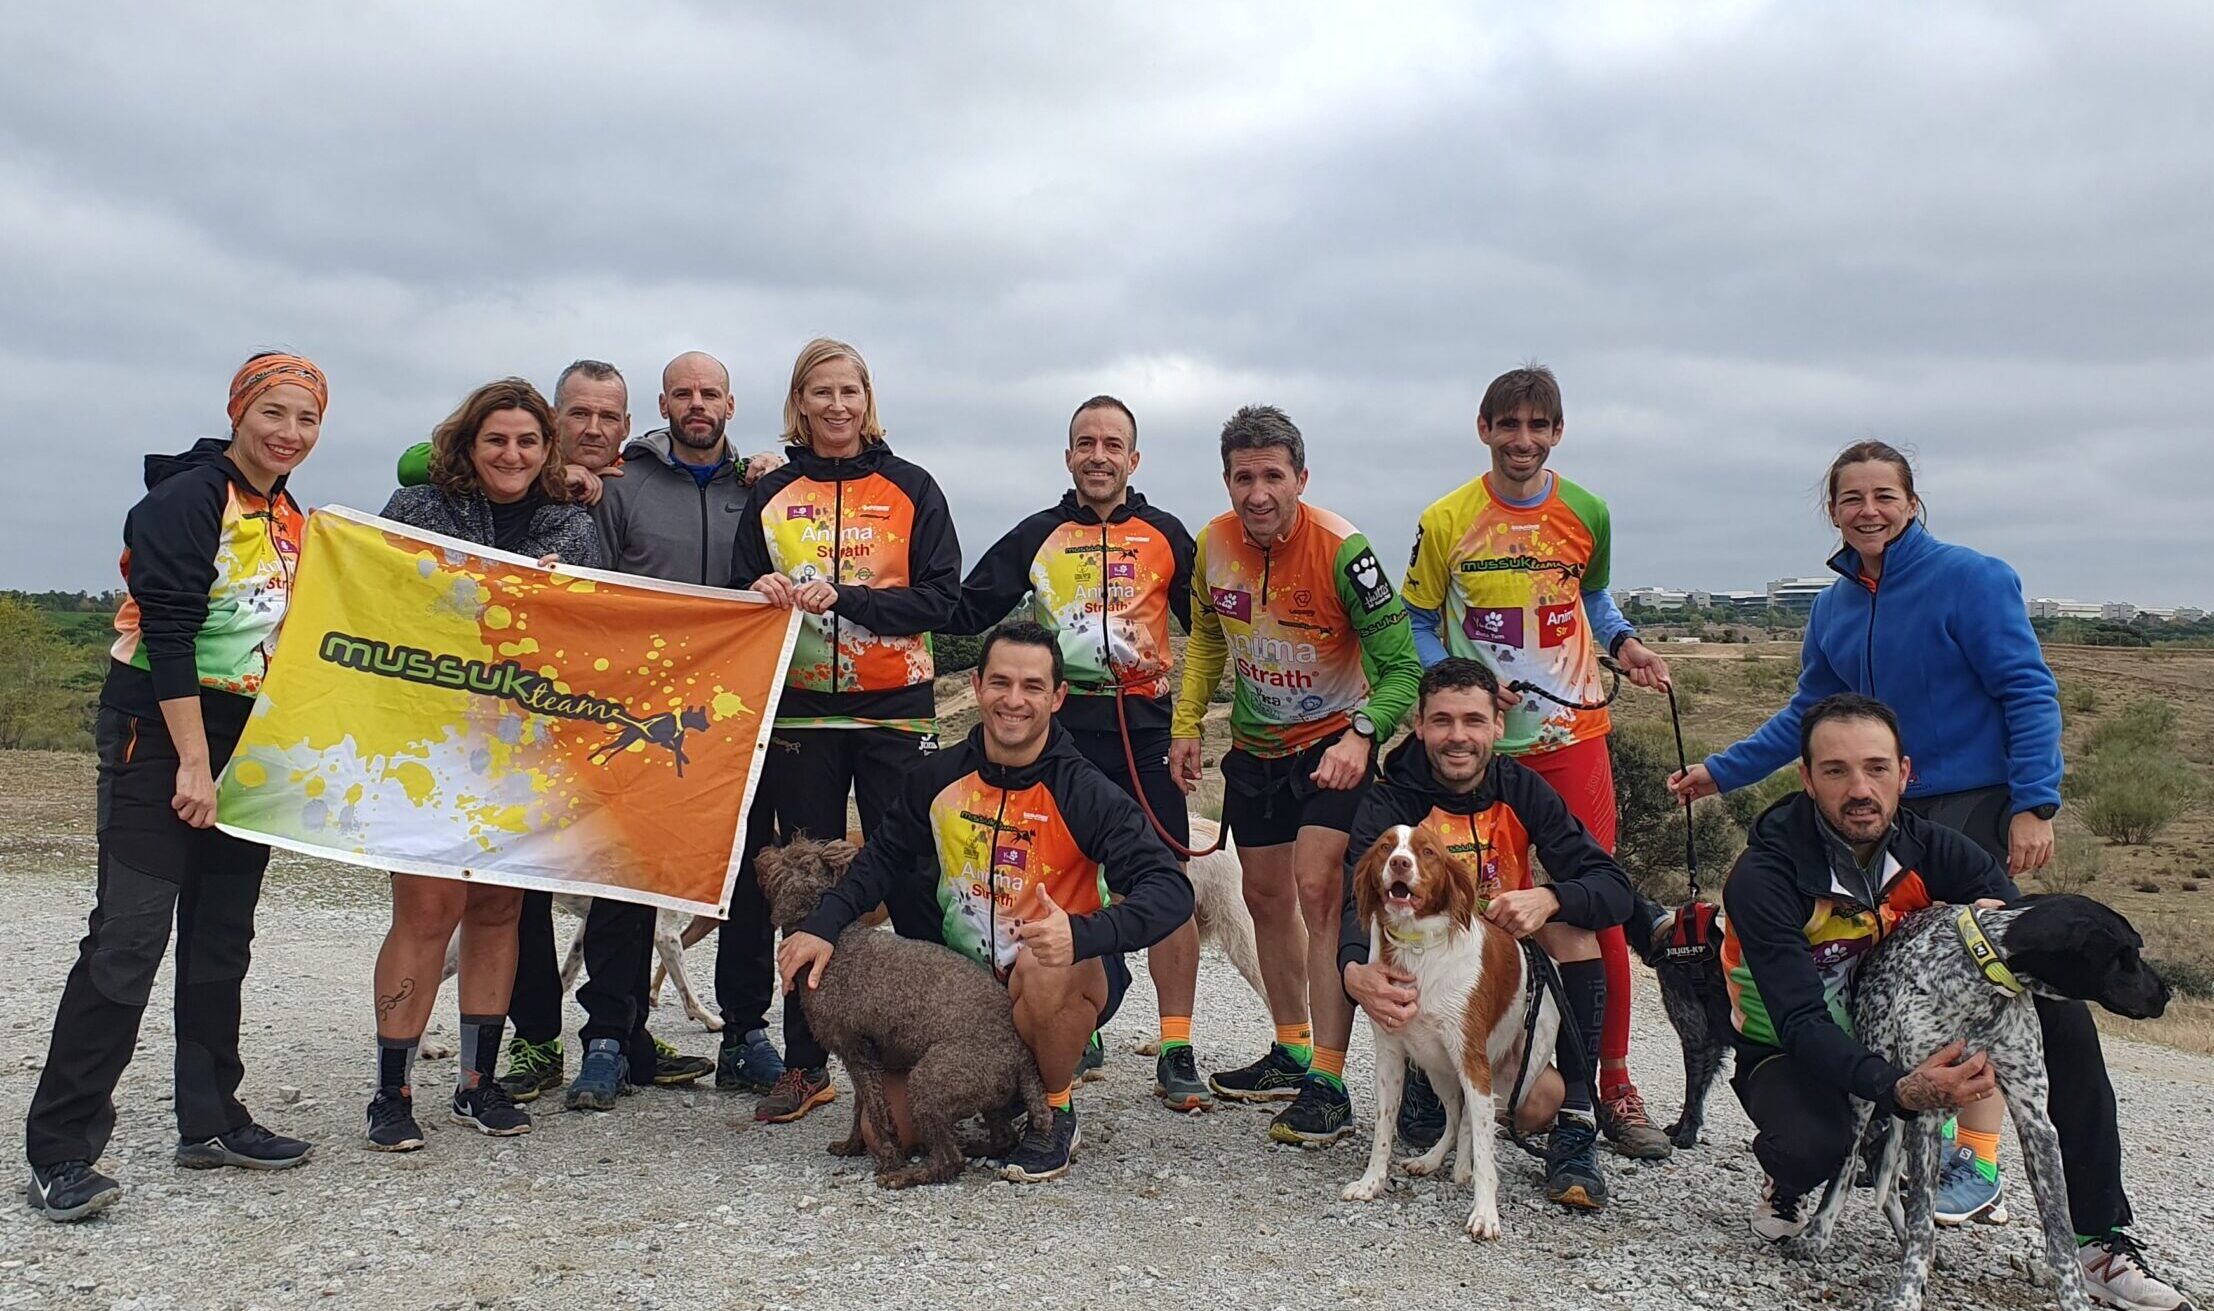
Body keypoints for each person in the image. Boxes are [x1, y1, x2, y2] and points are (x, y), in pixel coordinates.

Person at [1672, 439, 2064, 1220]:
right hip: (1880, 809)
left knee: (1980, 976)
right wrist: (1722, 770)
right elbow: (1807, 715)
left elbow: (2028, 688)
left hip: (1966, 805)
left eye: (1885, 495)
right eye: (1852, 498)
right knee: (1890, 982)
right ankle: (1897, 1125)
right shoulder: (1835, 605)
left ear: (1912, 503)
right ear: (1833, 510)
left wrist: (2034, 801)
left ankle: (1977, 1163)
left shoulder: (1972, 579)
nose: (1869, 510)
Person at [1719, 693, 2187, 1309]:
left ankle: (2097, 1240)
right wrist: (1900, 1091)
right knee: (1819, 1144)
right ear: (1806, 778)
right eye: (1836, 771)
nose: (1860, 789)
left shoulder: (1931, 848)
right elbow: (1800, 1022)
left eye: (1877, 768)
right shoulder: (1764, 877)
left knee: (2064, 1019)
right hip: (1792, 1048)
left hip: (1898, 1034)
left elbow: (2019, 930)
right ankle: (1789, 1179)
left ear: (1905, 773)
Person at [26, 352, 328, 1221]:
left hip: (247, 735)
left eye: (307, 420)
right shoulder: (187, 499)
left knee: (222, 933)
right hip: (158, 728)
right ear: (240, 411)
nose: (290, 434)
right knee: (129, 934)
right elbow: (168, 627)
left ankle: (211, 1115)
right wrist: (193, 763)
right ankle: (60, 1149)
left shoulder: (285, 512)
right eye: (274, 413)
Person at [776, 623, 1195, 1181]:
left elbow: (1171, 891)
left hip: (1052, 979)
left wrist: (1084, 933)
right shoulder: (937, 776)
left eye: (1032, 686)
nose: (1014, 700)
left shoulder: (1085, 791)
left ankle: (1055, 1109)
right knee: (888, 1135)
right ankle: (1002, 1097)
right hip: (963, 1004)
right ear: (976, 686)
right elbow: (880, 860)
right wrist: (823, 927)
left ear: (1058, 696)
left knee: (1044, 960)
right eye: (1000, 682)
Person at [1398, 364, 1675, 1160]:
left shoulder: (1587, 511)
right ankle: (1439, 1072)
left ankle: (1610, 1082)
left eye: (1539, 427)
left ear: (1557, 433)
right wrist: (1452, 696)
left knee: (1593, 905)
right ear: (1483, 427)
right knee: (1440, 905)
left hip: (1571, 738)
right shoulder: (1446, 518)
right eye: (1508, 425)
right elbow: (1420, 617)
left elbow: (1595, 601)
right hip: (1474, 748)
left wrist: (1626, 644)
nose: (1523, 441)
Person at [946, 394, 1210, 1110]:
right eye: (1085, 442)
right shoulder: (1040, 532)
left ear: (1134, 458)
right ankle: (1081, 1021)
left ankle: (1177, 1044)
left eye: (1113, 443)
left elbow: (1213, 631)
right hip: (1059, 735)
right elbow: (966, 607)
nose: (1099, 454)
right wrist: (870, 599)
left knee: (1168, 884)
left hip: (1145, 730)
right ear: (1069, 456)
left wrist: (1195, 722)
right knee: (1067, 885)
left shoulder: (1165, 534)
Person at [364, 378, 607, 1152]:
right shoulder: (415, 511)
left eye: (528, 441)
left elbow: (590, 626)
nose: (512, 453)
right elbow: (375, 603)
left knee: (500, 911)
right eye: (496, 439)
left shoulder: (573, 521)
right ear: (468, 442)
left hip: (523, 748)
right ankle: (392, 1088)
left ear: (548, 451)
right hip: (429, 745)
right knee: (428, 911)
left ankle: (477, 1080)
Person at [1168, 404, 1421, 1145]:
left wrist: (1363, 732)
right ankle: (1292, 1046)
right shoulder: (1211, 545)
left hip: (1332, 745)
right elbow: (1208, 644)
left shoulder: (1347, 551)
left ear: (1300, 478)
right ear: (1227, 480)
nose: (1257, 491)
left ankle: (1331, 1080)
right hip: (1256, 746)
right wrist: (1188, 724)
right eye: (1243, 476)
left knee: (1319, 890)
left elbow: (1403, 666)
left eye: (1272, 475)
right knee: (1264, 894)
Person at [729, 337, 961, 1124]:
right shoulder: (772, 492)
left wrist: (852, 599)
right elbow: (733, 599)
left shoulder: (911, 487)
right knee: (801, 886)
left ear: (869, 400)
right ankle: (805, 1062)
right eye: (820, 393)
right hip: (800, 713)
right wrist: (755, 589)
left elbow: (941, 601)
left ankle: (941, 1046)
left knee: (911, 875)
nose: (836, 407)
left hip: (894, 710)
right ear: (800, 402)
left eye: (849, 392)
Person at [1339, 658, 1635, 1209]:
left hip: (1496, 966)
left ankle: (1575, 1118)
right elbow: (1351, 896)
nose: (1458, 737)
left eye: (1473, 721)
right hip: (1423, 967)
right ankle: (1426, 1094)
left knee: (1575, 935)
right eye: (1443, 721)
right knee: (1423, 1108)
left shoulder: (1522, 790)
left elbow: (1612, 887)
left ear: (1497, 725)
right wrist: (1354, 970)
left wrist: (1551, 897)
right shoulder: (1390, 801)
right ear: (1420, 726)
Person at [554, 351, 764, 1111]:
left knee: (743, 873)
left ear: (732, 405)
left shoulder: (761, 487)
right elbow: (594, 584)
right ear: (664, 403)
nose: (697, 404)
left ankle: (746, 1031)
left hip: (735, 709)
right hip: (642, 712)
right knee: (626, 870)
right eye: (684, 393)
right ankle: (609, 1035)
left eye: (710, 392)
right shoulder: (624, 481)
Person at [393, 358, 786, 507]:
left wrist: (764, 464)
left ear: (627, 426)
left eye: (609, 418)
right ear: (553, 417)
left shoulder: (631, 472)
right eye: (580, 414)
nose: (594, 430)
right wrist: (544, 475)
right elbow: (410, 465)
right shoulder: (516, 460)